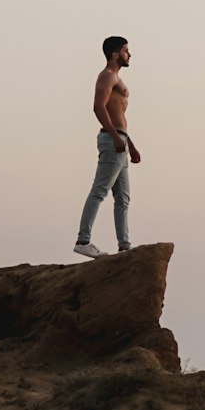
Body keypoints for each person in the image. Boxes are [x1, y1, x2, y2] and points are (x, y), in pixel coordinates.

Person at [73, 36, 141, 258]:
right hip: (113, 141)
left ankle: (125, 246)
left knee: (123, 198)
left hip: (120, 141)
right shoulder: (107, 77)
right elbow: (98, 107)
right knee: (99, 190)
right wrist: (114, 137)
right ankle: (83, 241)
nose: (129, 55)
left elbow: (118, 115)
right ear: (115, 54)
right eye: (126, 51)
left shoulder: (116, 79)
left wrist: (130, 144)